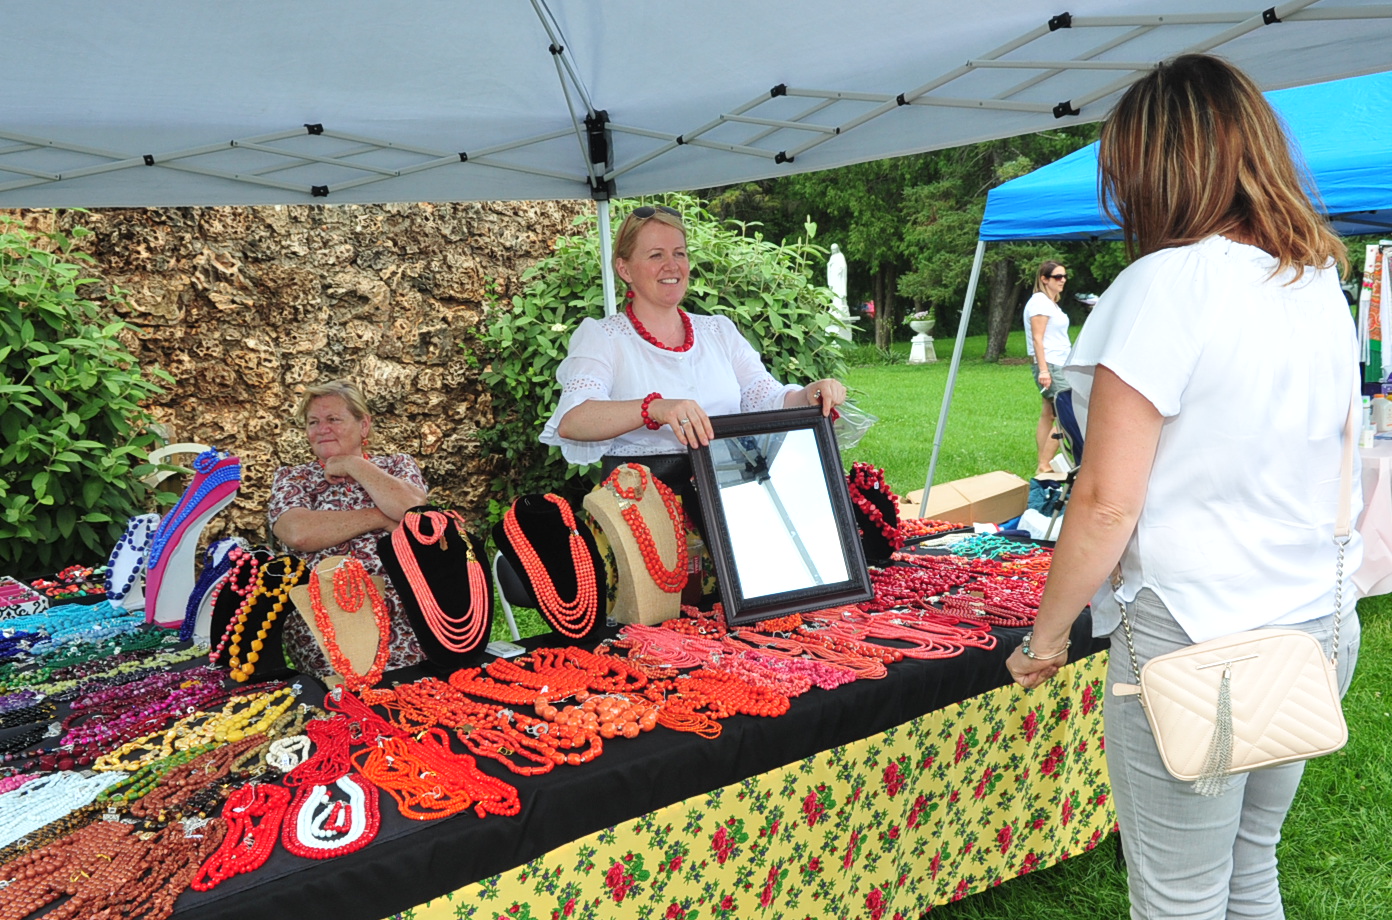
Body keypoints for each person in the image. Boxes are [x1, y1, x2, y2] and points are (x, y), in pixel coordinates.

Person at [1005, 54, 1362, 920]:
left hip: (1195, 628)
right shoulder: (1314, 277)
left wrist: (1045, 640)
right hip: (1313, 614)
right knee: (1250, 866)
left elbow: (1106, 499)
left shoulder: (1163, 285)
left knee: (1179, 895)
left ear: (1156, 168)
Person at [541, 204, 846, 500]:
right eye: (656, 255)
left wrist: (809, 395)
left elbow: (763, 396)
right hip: (643, 507)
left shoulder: (718, 331)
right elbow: (573, 420)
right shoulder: (604, 337)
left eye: (679, 253)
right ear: (624, 269)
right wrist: (654, 408)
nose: (672, 265)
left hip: (731, 495)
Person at [269, 379, 429, 675]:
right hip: (326, 627)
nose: (322, 429)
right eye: (313, 422)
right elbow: (298, 532)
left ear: (363, 425)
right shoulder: (293, 478)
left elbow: (410, 508)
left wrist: (353, 465)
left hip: (403, 622)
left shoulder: (396, 466)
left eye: (333, 419)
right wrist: (379, 517)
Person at [1024, 260, 1071, 474]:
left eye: (1064, 276)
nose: (1063, 280)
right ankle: (1044, 464)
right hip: (1050, 364)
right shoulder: (1040, 303)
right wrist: (1044, 370)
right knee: (1066, 415)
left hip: (1057, 362)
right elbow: (1037, 338)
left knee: (1048, 414)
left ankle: (1042, 463)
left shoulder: (1051, 303)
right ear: (1044, 279)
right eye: (1057, 277)